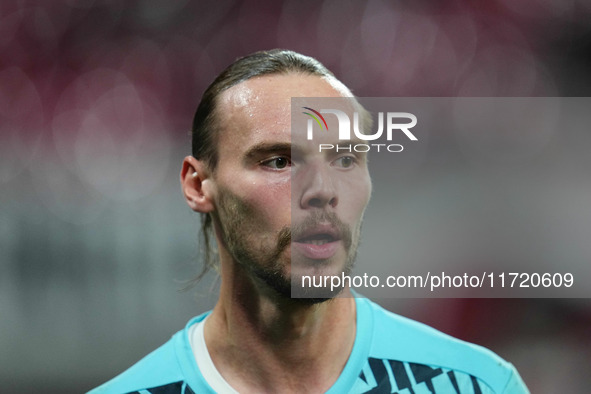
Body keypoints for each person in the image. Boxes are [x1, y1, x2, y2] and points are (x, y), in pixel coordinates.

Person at [89, 49, 529, 393]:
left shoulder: (476, 385)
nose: (322, 189)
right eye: (279, 161)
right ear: (198, 185)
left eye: (344, 159)